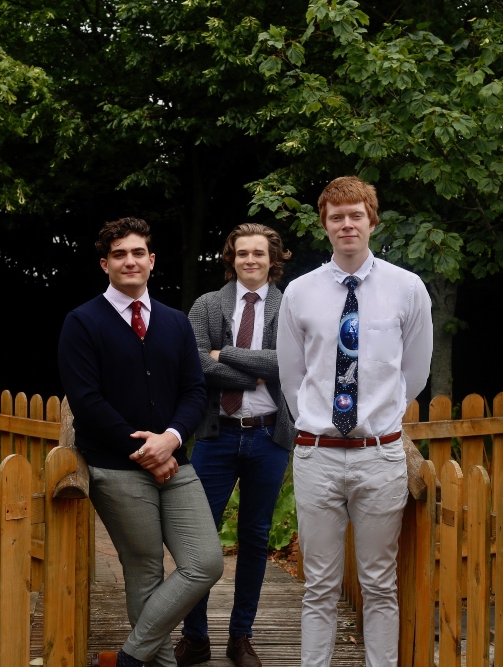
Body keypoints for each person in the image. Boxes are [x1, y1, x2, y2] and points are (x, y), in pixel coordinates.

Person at [276, 177, 433, 667]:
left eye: (356, 214)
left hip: (380, 457)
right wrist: (316, 426)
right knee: (319, 584)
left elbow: (416, 371)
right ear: (325, 225)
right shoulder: (300, 293)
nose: (347, 224)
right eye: (336, 216)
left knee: (379, 583)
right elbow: (291, 375)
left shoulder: (407, 289)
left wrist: (378, 419)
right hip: (318, 456)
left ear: (371, 219)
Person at [58, 217, 224, 667]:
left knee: (205, 563)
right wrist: (142, 451)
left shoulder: (174, 322)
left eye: (137, 253)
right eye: (119, 254)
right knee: (146, 568)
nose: (129, 261)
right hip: (115, 467)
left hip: (175, 462)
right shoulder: (83, 322)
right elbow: (86, 400)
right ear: (104, 264)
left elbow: (194, 390)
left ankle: (130, 658)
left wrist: (168, 440)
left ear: (151, 261)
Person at [174, 223, 294, 667]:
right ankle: (196, 635)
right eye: (242, 253)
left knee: (255, 538)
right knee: (198, 539)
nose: (250, 260)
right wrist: (259, 371)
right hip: (215, 435)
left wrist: (226, 355)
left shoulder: (290, 307)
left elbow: (291, 364)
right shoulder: (207, 305)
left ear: (273, 259)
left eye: (259, 254)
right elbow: (196, 362)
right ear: (231, 258)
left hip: (268, 435)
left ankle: (240, 637)